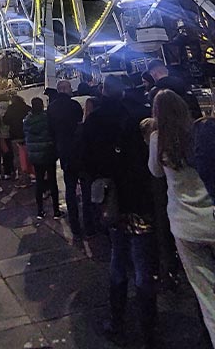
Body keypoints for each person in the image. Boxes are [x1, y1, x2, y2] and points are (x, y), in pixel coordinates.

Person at [83, 75, 157, 349]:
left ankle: (117, 321)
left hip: (113, 198)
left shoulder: (95, 120)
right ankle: (148, 327)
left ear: (103, 91)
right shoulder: (140, 114)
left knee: (118, 259)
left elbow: (86, 159)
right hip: (140, 196)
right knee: (143, 265)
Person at [149, 89, 215, 345]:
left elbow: (154, 171)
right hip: (210, 215)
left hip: (184, 225)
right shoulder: (200, 131)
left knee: (207, 296)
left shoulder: (158, 138)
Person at [49, 80, 93, 236]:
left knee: (70, 189)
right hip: (79, 151)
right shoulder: (74, 106)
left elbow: (51, 131)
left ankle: (75, 225)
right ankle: (89, 223)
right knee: (86, 188)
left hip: (65, 152)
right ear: (66, 89)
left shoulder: (52, 108)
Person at [23, 97, 61, 220]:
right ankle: (56, 210)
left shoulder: (27, 121)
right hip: (48, 153)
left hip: (35, 155)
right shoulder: (46, 118)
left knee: (39, 182)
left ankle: (40, 211)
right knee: (52, 181)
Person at [3, 94, 31, 186]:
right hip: (26, 135)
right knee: (27, 155)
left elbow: (5, 120)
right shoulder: (26, 107)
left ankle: (21, 176)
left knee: (18, 157)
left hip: (15, 136)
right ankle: (30, 175)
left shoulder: (11, 109)